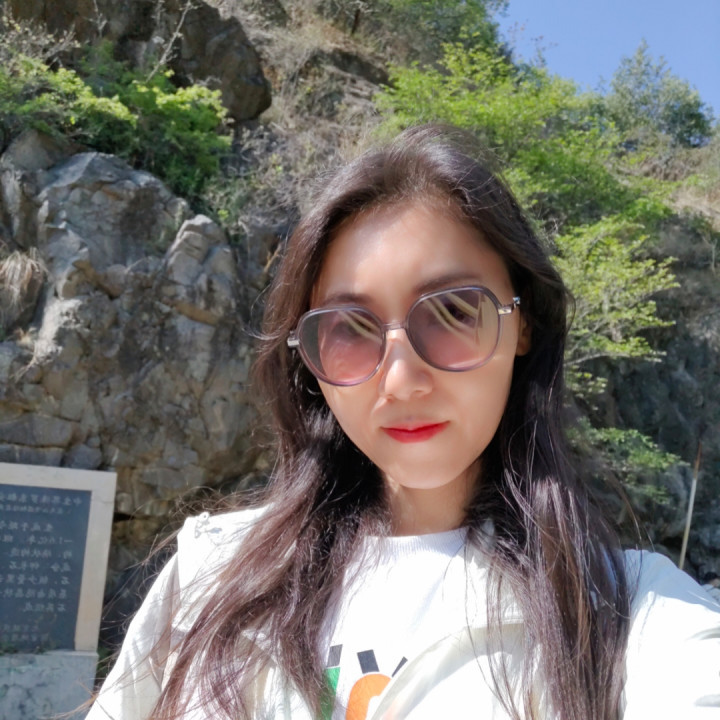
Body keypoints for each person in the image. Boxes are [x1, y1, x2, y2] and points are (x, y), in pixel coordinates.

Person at [87, 125, 720, 720]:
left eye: (453, 312)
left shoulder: (634, 613)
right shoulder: (212, 575)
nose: (400, 380)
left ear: (522, 323)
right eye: (349, 328)